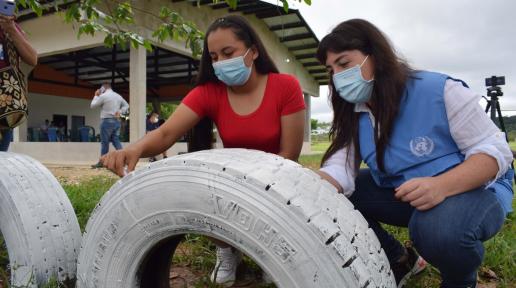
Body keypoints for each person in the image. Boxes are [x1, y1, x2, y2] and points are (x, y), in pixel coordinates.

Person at [101, 15, 306, 286]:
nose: (220, 62)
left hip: (277, 183)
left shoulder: (286, 86)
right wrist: (135, 149)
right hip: (234, 183)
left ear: (253, 51)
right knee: (191, 192)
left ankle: (270, 250)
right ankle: (226, 248)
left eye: (228, 52)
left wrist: (254, 194)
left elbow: (289, 154)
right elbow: (165, 133)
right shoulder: (210, 92)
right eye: (214, 56)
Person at [316, 19, 513, 288]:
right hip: (410, 191)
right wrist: (314, 190)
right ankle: (398, 259)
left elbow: (495, 151)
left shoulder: (438, 90)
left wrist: (441, 186)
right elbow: (341, 165)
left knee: (438, 232)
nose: (338, 76)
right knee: (332, 198)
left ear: (374, 56)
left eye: (344, 63)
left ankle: (461, 281)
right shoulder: (355, 109)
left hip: (474, 189)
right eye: (331, 69)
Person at [0, 13, 37, 152]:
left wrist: (11, 29)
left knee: (1, 163)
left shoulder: (10, 28)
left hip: (4, 109)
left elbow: (32, 59)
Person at [90, 83, 129, 168]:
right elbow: (126, 105)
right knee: (116, 140)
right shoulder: (118, 96)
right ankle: (124, 159)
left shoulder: (103, 96)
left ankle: (102, 162)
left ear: (103, 88)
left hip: (106, 121)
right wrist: (120, 111)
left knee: (105, 142)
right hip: (116, 121)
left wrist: (96, 95)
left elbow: (92, 105)